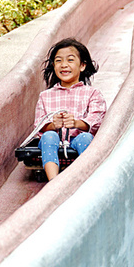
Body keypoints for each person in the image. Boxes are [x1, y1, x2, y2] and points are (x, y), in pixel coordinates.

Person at [34, 38, 107, 181]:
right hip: (53, 140)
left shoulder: (92, 93)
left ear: (82, 66)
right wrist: (53, 125)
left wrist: (76, 123)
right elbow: (38, 126)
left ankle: (87, 177)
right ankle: (53, 181)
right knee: (49, 136)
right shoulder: (45, 96)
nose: (64, 65)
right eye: (59, 61)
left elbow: (97, 121)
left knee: (85, 138)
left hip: (77, 138)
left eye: (70, 60)